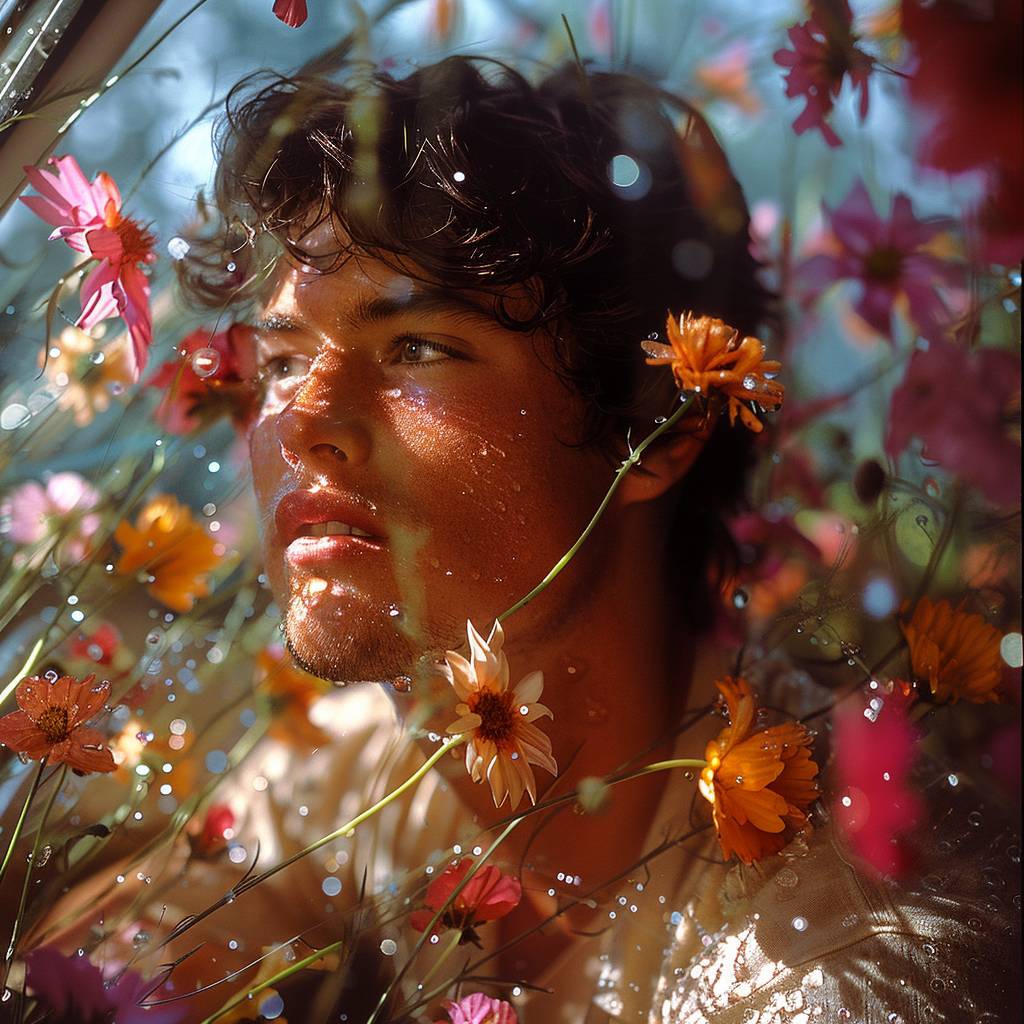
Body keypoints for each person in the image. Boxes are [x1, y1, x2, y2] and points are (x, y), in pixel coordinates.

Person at [27, 56, 1021, 1022]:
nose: (302, 419)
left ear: (654, 432)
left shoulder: (848, 959)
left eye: (416, 347)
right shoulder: (360, 763)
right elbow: (115, 973)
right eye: (284, 360)